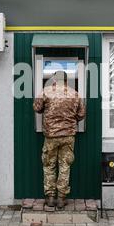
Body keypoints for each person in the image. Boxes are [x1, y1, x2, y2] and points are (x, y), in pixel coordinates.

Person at [33, 70, 86, 209]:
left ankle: (50, 198)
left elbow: (37, 108)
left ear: (54, 80)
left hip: (51, 136)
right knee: (65, 165)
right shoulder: (75, 94)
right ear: (67, 81)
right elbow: (81, 114)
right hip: (68, 136)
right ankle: (62, 198)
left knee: (49, 165)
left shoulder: (46, 91)